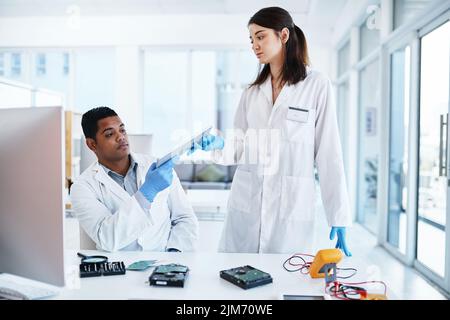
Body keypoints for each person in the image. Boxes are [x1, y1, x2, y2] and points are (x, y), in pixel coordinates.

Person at [193, 7, 352, 255]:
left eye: (260, 36)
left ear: (284, 36)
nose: (254, 45)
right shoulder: (252, 92)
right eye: (251, 39)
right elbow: (238, 147)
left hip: (290, 208)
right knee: (237, 279)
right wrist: (219, 145)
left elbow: (328, 153)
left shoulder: (315, 85)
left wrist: (338, 214)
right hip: (247, 206)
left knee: (284, 281)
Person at [71, 107, 198, 252]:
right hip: (119, 269)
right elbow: (107, 239)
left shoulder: (158, 167)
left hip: (165, 264)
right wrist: (146, 193)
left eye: (122, 130)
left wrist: (174, 254)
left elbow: (184, 218)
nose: (121, 137)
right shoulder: (82, 187)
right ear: (92, 144)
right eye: (109, 134)